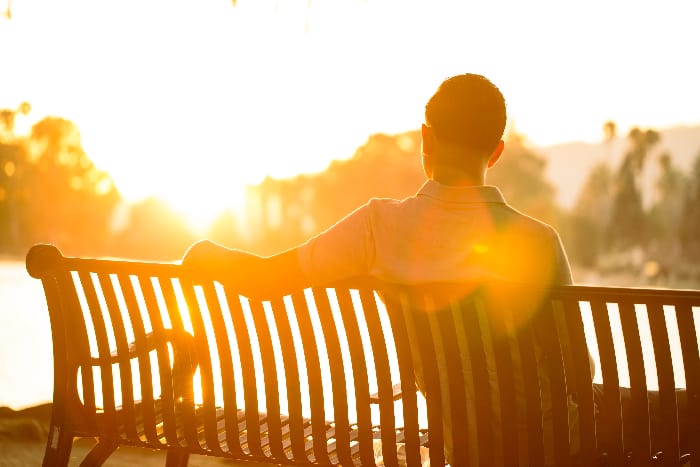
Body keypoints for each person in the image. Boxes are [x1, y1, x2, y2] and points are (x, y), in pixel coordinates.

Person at [183, 73, 575, 465]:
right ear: (496, 152)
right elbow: (573, 370)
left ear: (427, 139)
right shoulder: (537, 240)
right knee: (630, 406)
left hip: (462, 442)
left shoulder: (377, 225)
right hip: (544, 447)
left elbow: (264, 281)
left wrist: (208, 252)